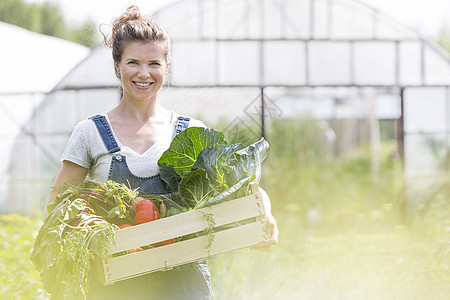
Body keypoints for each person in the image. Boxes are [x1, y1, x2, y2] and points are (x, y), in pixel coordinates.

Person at [43, 5, 278, 300]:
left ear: (166, 66)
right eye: (133, 63)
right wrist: (90, 234)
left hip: (184, 284)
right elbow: (57, 207)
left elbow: (238, 188)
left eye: (154, 63)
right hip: (115, 285)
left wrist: (265, 215)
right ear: (117, 66)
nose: (144, 73)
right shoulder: (90, 132)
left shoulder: (191, 131)